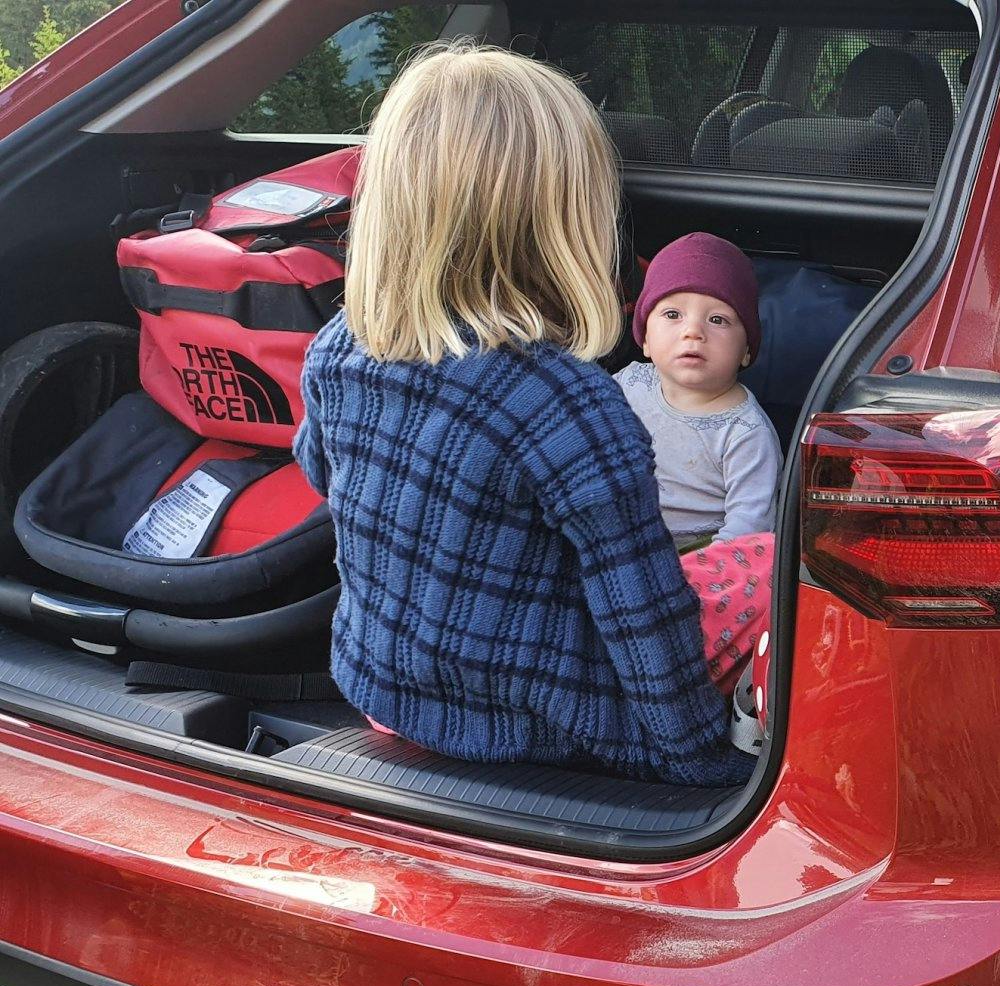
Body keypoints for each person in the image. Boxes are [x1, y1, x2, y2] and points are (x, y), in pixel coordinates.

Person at [292, 43, 751, 786]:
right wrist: (701, 763)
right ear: (564, 222)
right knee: (765, 569)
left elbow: (322, 471)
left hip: (381, 694)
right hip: (537, 732)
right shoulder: (568, 404)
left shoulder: (340, 343)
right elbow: (644, 623)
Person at [616, 232, 781, 552]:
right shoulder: (627, 385)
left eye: (717, 319)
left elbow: (750, 527)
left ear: (747, 350)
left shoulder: (746, 432)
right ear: (646, 340)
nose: (693, 332)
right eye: (673, 314)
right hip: (619, 539)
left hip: (700, 557)